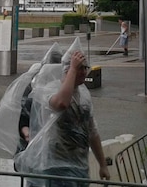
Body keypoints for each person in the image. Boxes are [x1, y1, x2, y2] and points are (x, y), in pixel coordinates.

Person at [14, 38, 110, 186]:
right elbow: (61, 103)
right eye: (81, 68)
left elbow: (92, 132)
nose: (85, 72)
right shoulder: (49, 89)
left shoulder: (84, 95)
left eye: (86, 68)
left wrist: (102, 164)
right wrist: (72, 68)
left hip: (79, 167)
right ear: (66, 70)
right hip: (53, 168)